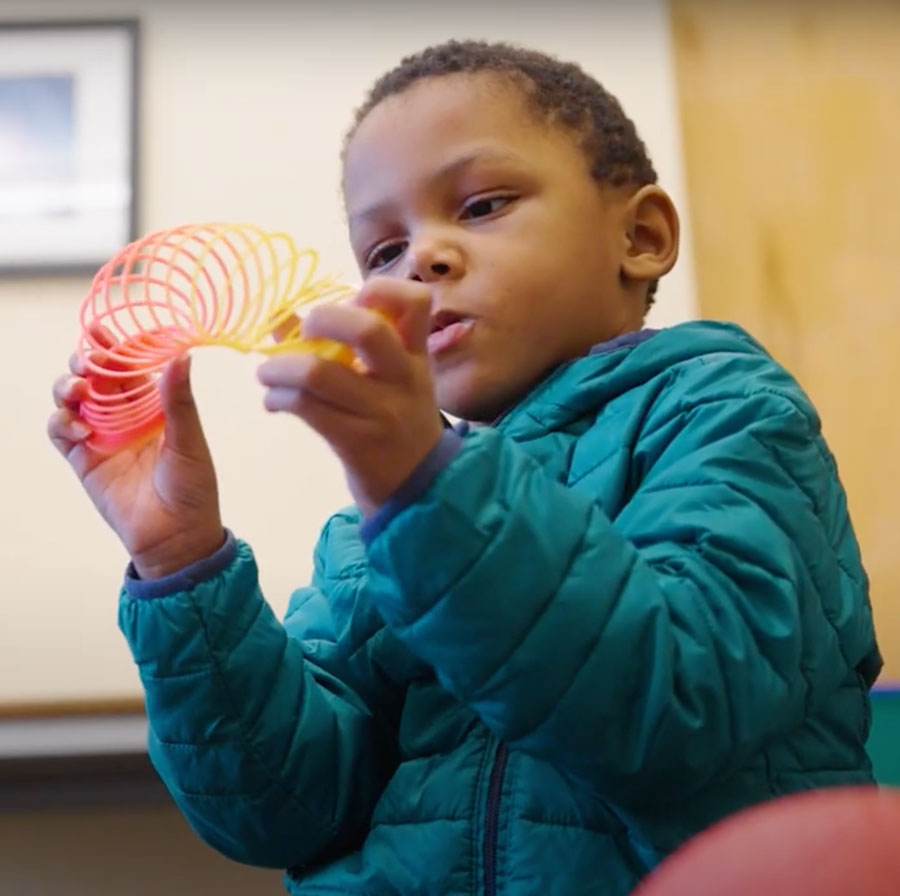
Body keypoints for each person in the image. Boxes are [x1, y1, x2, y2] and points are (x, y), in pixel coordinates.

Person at [48, 39, 882, 896]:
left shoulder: (726, 410)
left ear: (640, 235)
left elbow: (670, 706)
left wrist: (424, 486)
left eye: (482, 205)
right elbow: (275, 812)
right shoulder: (371, 538)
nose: (423, 260)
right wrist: (180, 559)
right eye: (382, 252)